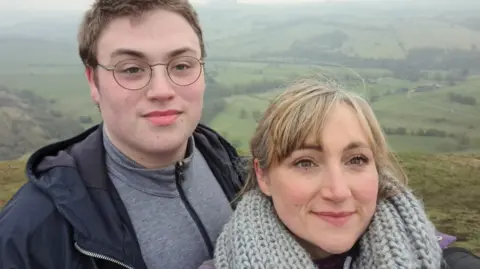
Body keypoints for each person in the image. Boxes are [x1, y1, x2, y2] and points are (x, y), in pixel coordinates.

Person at [0, 0, 244, 268]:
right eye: (131, 69)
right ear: (93, 81)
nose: (161, 90)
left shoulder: (231, 166)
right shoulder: (30, 232)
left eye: (182, 65)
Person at [199, 79, 480, 269]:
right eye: (305, 163)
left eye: (356, 159)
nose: (338, 191)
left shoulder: (440, 258)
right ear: (263, 176)